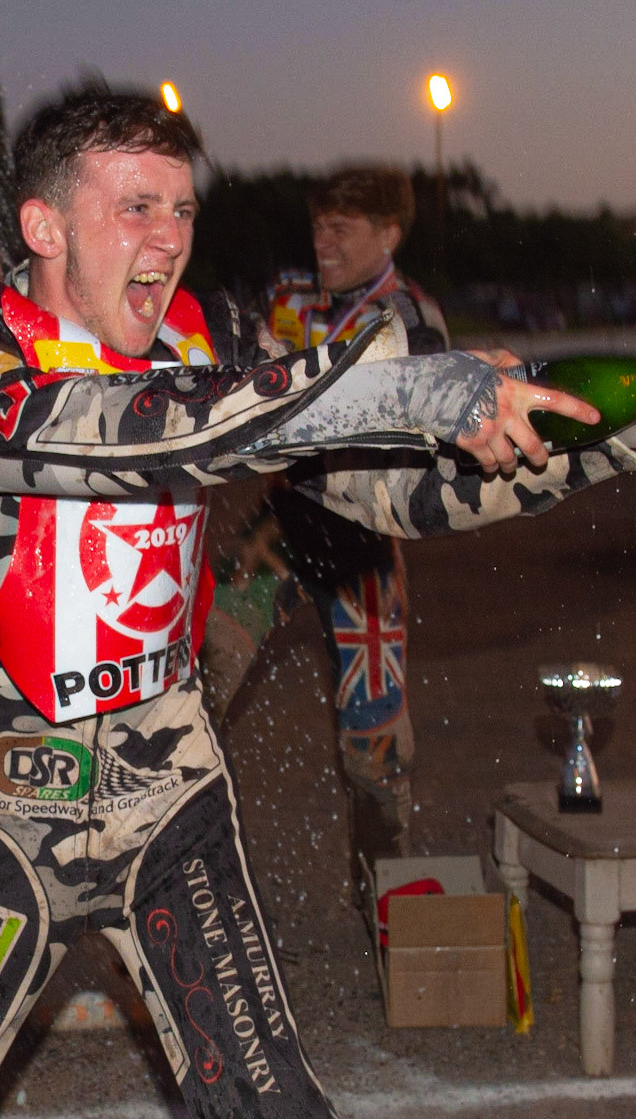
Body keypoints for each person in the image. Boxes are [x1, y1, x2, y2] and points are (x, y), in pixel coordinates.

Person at [0, 85, 636, 1119]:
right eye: (134, 207)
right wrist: (393, 387)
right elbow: (121, 429)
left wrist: (616, 434)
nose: (166, 241)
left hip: (170, 806)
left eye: (184, 211)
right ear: (42, 227)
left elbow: (388, 492)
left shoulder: (209, 345)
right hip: (8, 814)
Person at [205, 166, 450, 888]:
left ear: (389, 234)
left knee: (371, 743)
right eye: (318, 225)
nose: (324, 241)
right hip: (284, 523)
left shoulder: (411, 316)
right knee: (202, 672)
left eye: (342, 228)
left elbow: (425, 424)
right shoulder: (288, 298)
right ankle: (168, 859)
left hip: (361, 539)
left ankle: (385, 887)